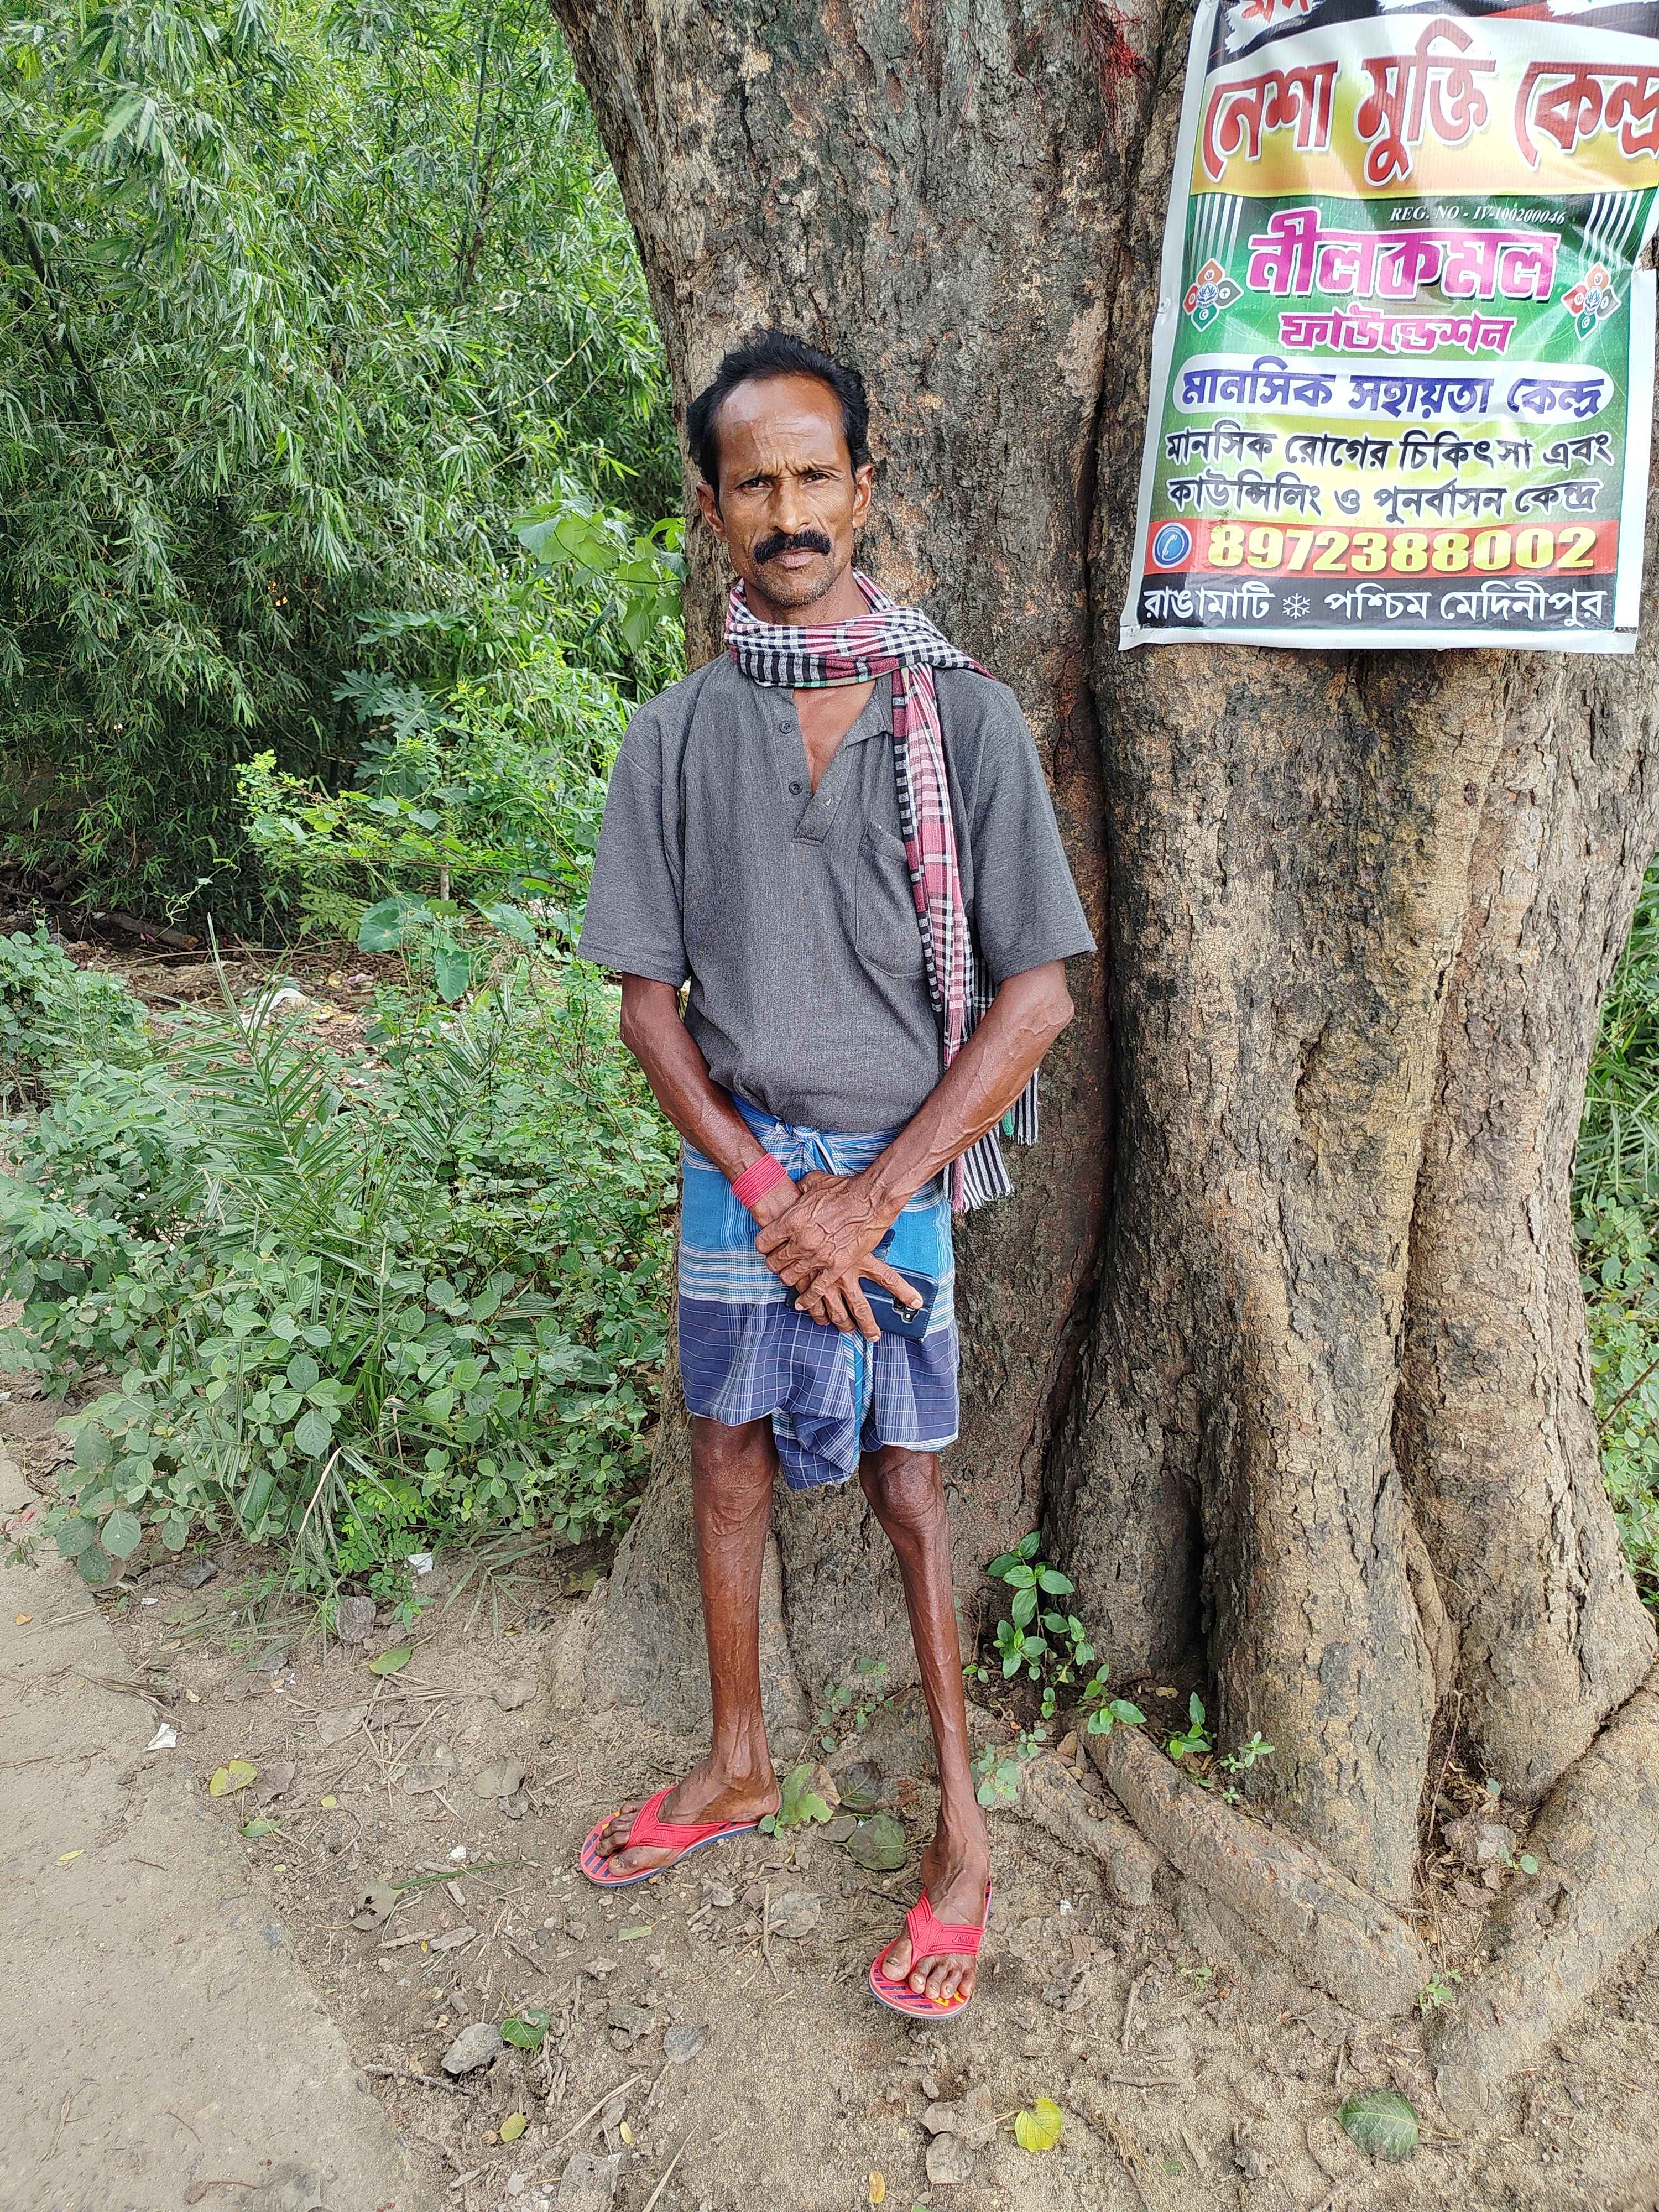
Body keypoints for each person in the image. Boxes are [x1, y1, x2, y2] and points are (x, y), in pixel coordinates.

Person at [573, 330, 1095, 2016]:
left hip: (899, 1171)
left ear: (864, 489)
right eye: (755, 485)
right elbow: (646, 1007)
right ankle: (738, 1761)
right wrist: (767, 1190)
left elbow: (1037, 999)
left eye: (815, 477)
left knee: (911, 1489)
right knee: (724, 1454)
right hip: (741, 1169)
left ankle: (964, 1841)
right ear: (711, 508)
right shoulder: (672, 737)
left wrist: (867, 1200)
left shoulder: (967, 720)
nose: (788, 513)